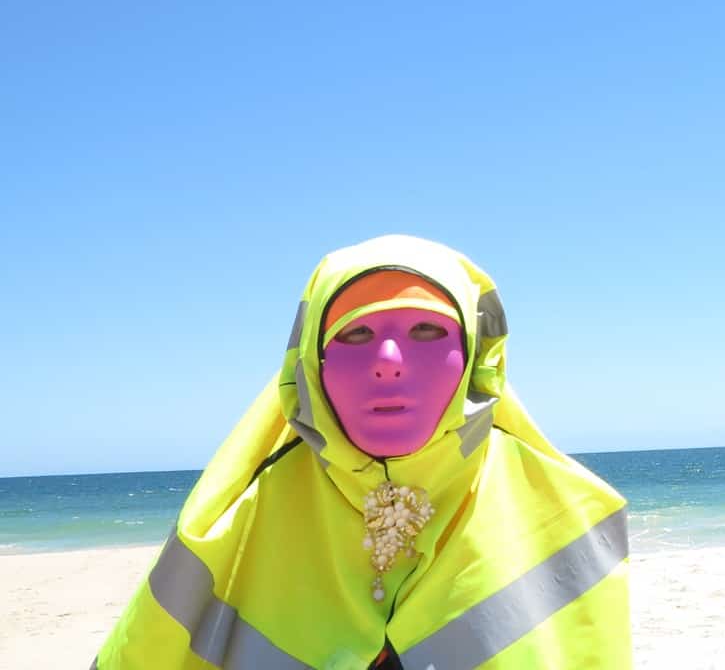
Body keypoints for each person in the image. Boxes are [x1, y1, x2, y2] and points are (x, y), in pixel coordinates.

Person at [95, 235, 631, 669]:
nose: (389, 360)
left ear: (475, 354)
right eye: (355, 335)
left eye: (427, 330)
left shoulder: (571, 515)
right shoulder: (232, 524)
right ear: (312, 365)